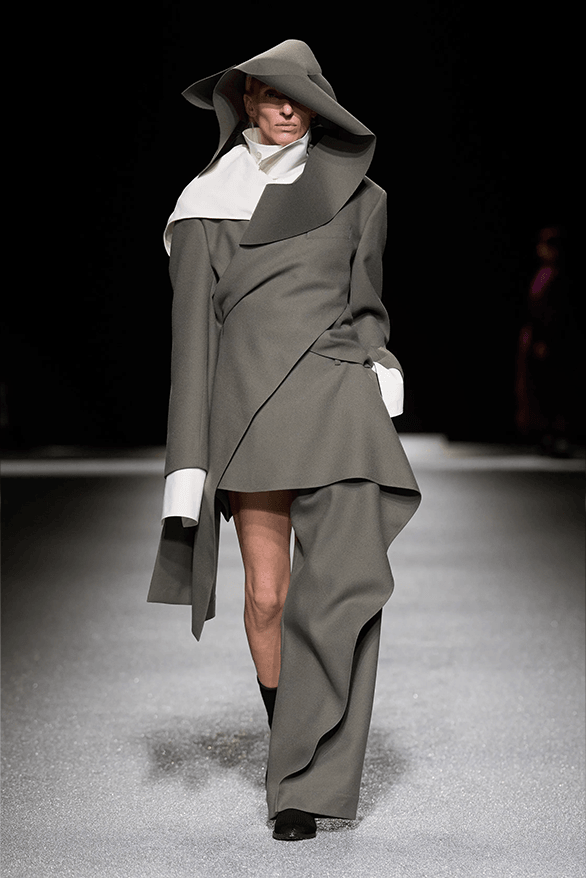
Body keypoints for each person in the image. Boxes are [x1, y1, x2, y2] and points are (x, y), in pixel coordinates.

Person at [148, 39, 421, 840]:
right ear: (245, 101)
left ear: (317, 102)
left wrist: (379, 360)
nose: (285, 109)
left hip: (336, 406)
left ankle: (302, 783)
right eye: (269, 94)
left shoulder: (362, 197)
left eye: (297, 95)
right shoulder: (205, 204)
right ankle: (290, 742)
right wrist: (186, 466)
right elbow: (193, 345)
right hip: (250, 412)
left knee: (336, 591)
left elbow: (366, 308)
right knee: (268, 595)